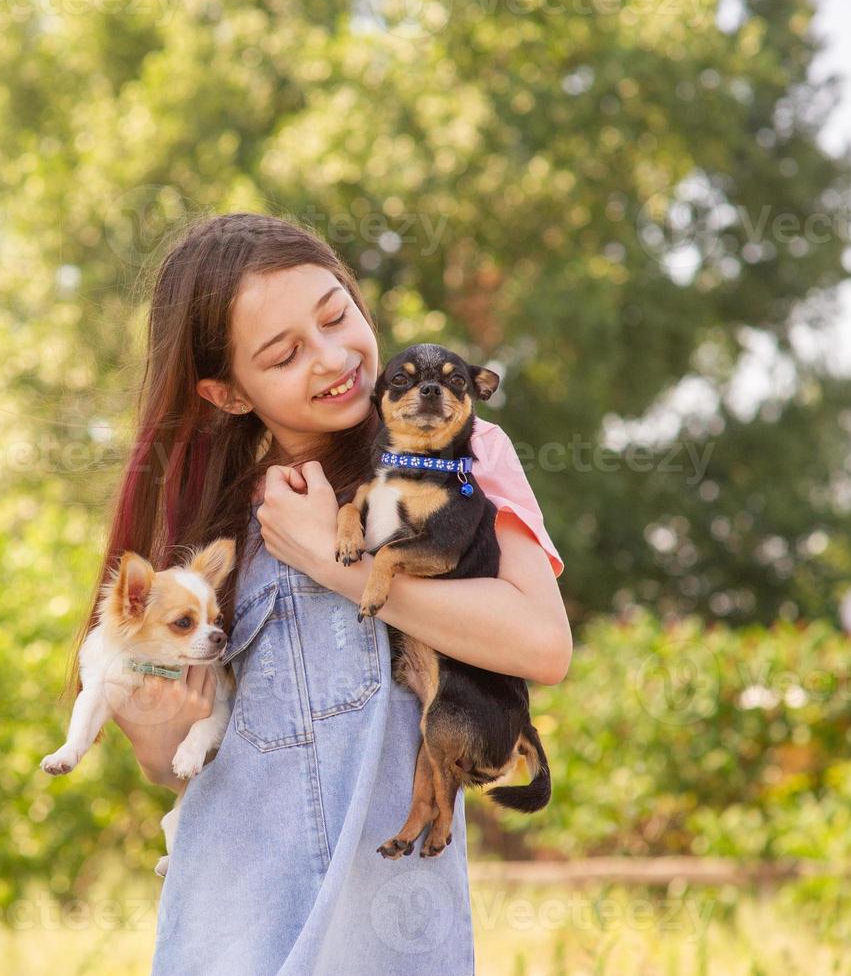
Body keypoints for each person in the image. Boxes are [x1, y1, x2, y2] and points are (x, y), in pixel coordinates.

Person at [65, 212, 569, 974]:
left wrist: (333, 563)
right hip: (232, 931)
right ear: (227, 393)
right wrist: (150, 734)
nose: (335, 357)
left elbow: (539, 641)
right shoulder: (213, 525)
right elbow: (177, 759)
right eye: (284, 353)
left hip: (389, 937)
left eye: (336, 315)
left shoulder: (467, 453)